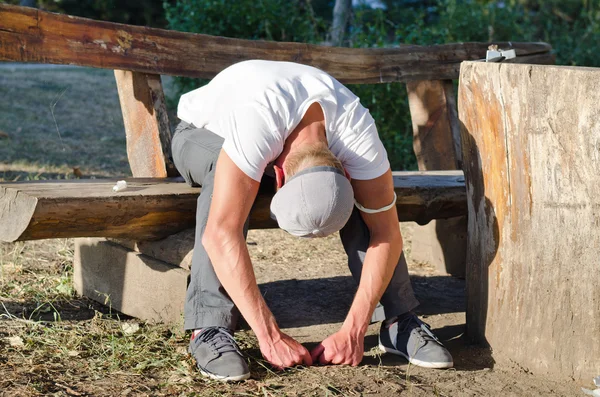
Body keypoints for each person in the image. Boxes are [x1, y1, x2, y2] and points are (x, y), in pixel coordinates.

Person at [171, 60, 453, 381]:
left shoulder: (357, 137)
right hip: (199, 133)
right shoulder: (257, 125)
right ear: (276, 175)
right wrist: (270, 336)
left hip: (269, 141)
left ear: (346, 171)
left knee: (365, 203)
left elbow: (385, 232)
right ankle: (209, 326)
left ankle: (397, 319)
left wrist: (353, 331)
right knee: (221, 177)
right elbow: (221, 233)